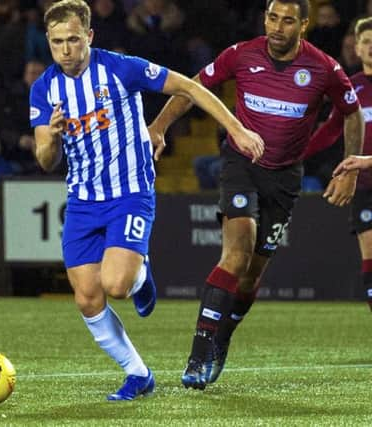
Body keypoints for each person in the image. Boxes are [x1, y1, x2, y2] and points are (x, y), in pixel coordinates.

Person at [30, 0, 264, 401]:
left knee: (116, 285)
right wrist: (50, 138)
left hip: (129, 193)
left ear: (89, 36)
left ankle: (140, 276)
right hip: (83, 200)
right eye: (56, 43)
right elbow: (46, 160)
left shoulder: (121, 68)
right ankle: (138, 374)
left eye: (72, 40)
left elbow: (189, 86)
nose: (65, 50)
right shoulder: (44, 88)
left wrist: (236, 128)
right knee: (87, 297)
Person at [151, 0, 364, 390]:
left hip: (284, 179)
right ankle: (198, 355)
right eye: (271, 18)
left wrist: (350, 166)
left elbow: (351, 112)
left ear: (304, 24)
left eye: (287, 20)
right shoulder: (241, 55)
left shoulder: (324, 68)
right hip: (241, 166)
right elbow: (192, 88)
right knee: (235, 254)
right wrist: (160, 126)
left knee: (249, 279)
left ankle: (223, 338)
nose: (277, 27)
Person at [308, 17, 372, 313]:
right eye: (366, 42)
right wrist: (296, 154)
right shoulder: (353, 88)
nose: (371, 48)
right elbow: (332, 129)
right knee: (370, 256)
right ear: (356, 48)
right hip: (365, 186)